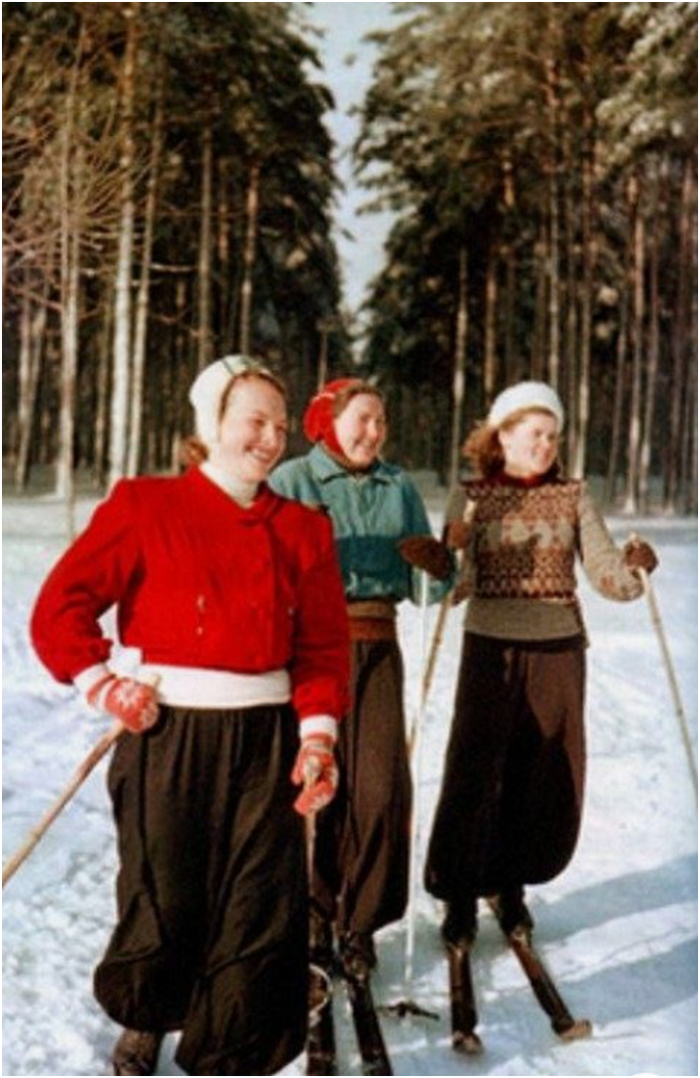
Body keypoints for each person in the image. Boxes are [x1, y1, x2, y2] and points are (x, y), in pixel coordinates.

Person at [30, 355, 350, 1077]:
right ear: (212, 424)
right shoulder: (147, 506)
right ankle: (149, 1012)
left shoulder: (302, 529)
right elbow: (60, 608)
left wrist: (318, 739)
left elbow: (324, 649)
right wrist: (103, 684)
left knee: (256, 906)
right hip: (167, 734)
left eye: (280, 425)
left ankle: (227, 1054)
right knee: (163, 891)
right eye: (254, 421)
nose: (271, 438)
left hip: (267, 742)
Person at [424, 380, 658, 974]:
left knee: (540, 771)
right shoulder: (472, 496)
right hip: (492, 648)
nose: (546, 446)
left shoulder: (573, 495)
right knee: (475, 767)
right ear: (502, 437)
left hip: (558, 647)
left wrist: (634, 571)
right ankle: (459, 890)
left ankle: (509, 883)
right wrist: (445, 558)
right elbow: (458, 585)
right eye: (534, 435)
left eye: (553, 436)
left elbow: (605, 573)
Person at [270, 377, 453, 981]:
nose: (373, 432)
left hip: (377, 646)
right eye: (362, 420)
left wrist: (438, 568)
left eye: (381, 422)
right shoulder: (293, 480)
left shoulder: (398, 486)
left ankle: (360, 922)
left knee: (379, 792)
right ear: (330, 421)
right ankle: (311, 912)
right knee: (313, 786)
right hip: (307, 649)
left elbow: (428, 589)